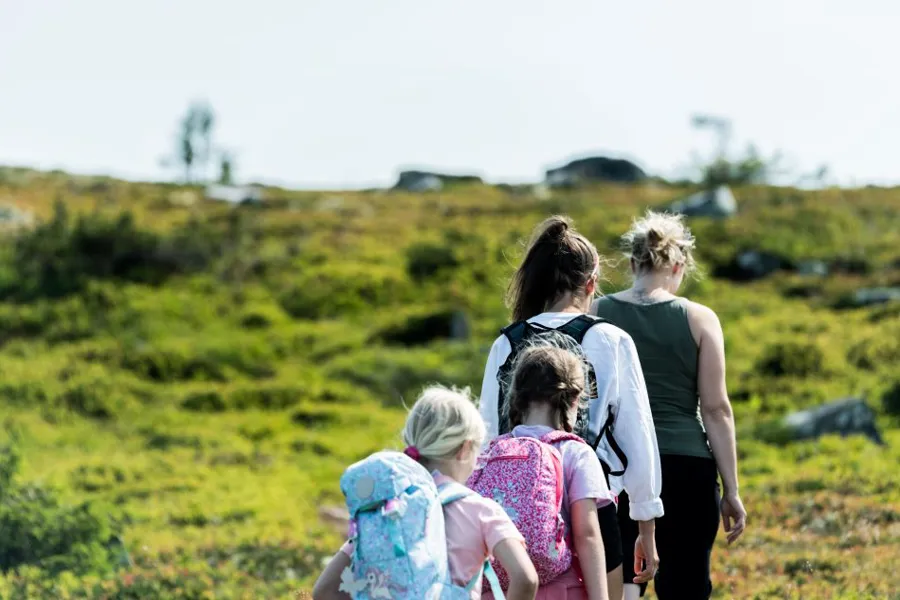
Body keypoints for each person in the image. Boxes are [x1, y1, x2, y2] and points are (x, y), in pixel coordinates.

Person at [480, 216, 663, 600]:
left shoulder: (507, 342)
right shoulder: (611, 339)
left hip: (517, 514)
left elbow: (487, 439)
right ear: (591, 283)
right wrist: (645, 525)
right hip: (595, 509)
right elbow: (637, 436)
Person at [592, 210, 747, 600]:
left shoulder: (595, 314)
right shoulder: (700, 319)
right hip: (687, 467)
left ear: (632, 263)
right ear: (679, 266)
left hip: (617, 468)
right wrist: (731, 489)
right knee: (686, 586)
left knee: (621, 584)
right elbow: (716, 410)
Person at [313, 385, 539, 600]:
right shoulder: (481, 510)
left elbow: (324, 590)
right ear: (465, 449)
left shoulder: (389, 508)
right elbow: (525, 578)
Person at [479, 341, 613, 600]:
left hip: (498, 589)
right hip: (561, 589)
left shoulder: (492, 452)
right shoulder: (575, 453)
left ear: (517, 396)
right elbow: (587, 534)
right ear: (574, 399)